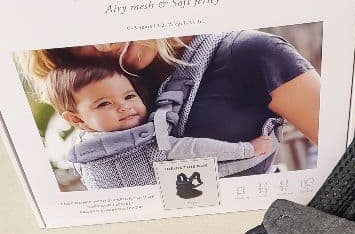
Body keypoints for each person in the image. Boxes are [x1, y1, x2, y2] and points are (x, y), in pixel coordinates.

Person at [20, 30, 320, 180]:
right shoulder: (102, 97)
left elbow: (341, 153)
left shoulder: (250, 52)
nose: (105, 44)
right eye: (82, 38)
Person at [44, 59, 273, 190]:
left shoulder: (81, 153)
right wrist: (247, 149)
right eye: (104, 104)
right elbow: (195, 149)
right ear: (76, 119)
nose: (124, 107)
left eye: (129, 96)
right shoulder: (145, 142)